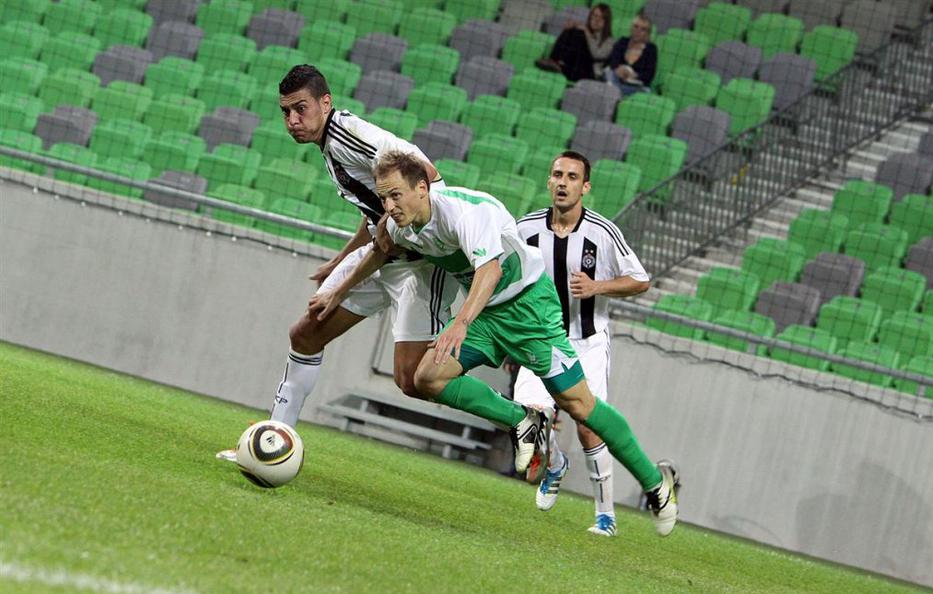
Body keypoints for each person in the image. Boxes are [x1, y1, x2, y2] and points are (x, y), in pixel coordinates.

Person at [310, 151, 680, 536]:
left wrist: (460, 323)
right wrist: (338, 290)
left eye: (395, 196)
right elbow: (379, 251)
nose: (389, 206)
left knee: (579, 406)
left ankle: (656, 483)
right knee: (427, 377)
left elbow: (490, 269)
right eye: (384, 198)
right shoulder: (400, 226)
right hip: (486, 314)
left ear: (422, 188)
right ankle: (523, 419)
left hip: (528, 310)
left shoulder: (465, 213)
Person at [216, 65, 548, 476]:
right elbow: (375, 210)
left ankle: (521, 417)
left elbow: (424, 171)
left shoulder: (350, 134)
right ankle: (275, 441)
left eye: (301, 109)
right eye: (286, 112)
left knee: (410, 379)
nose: (292, 120)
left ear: (325, 103)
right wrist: (341, 259)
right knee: (306, 332)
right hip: (381, 255)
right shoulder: (330, 149)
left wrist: (415, 233)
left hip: (418, 268)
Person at [514, 151, 651, 537]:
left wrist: (597, 286)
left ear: (585, 186)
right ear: (548, 180)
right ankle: (556, 464)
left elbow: (640, 280)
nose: (563, 182)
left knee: (589, 425)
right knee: (529, 420)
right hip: (541, 339)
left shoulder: (602, 232)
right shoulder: (525, 229)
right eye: (557, 174)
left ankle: (606, 516)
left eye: (572, 177)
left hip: (587, 341)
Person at [537, 4, 616, 82]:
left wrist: (586, 32)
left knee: (580, 33)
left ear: (606, 22)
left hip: (589, 73)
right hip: (574, 66)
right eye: (594, 15)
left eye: (601, 18)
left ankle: (560, 65)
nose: (596, 20)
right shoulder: (586, 31)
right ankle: (553, 60)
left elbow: (596, 54)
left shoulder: (610, 41)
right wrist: (573, 26)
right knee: (571, 29)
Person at [606, 14, 657, 96]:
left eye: (643, 29)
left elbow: (649, 75)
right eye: (636, 26)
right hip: (618, 80)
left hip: (636, 87)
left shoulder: (651, 49)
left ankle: (614, 93)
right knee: (609, 73)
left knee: (612, 87)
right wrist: (619, 69)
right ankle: (615, 92)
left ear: (647, 33)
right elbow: (612, 62)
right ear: (631, 28)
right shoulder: (622, 41)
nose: (638, 31)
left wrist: (634, 75)